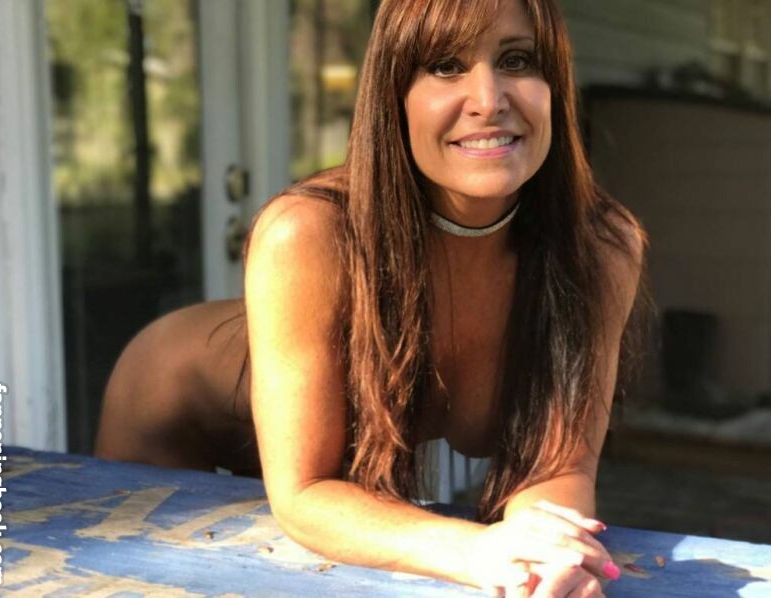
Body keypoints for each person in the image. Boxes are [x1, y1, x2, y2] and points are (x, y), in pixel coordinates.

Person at [97, 0, 650, 595]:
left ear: (556, 85)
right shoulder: (307, 234)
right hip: (179, 423)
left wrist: (544, 558)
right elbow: (306, 490)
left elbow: (560, 468)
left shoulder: (598, 249)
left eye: (517, 61)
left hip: (326, 488)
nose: (488, 100)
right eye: (445, 66)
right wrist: (476, 550)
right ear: (394, 94)